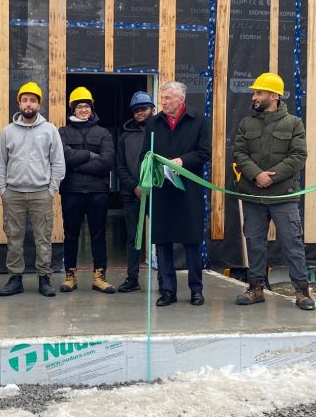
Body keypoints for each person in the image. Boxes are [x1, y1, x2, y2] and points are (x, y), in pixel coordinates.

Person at [232, 72, 315, 310]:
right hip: (253, 195)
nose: (254, 97)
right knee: (255, 243)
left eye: (258, 92)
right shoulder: (247, 123)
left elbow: (298, 156)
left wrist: (272, 177)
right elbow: (239, 153)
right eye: (254, 92)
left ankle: (301, 292)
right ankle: (255, 288)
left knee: (292, 244)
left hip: (283, 196)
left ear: (274, 95)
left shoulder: (294, 123)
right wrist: (256, 174)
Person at [140, 80, 211, 307]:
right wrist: (151, 164)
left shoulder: (198, 120)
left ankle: (196, 290)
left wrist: (181, 162)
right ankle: (167, 290)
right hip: (162, 190)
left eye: (168, 98)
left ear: (181, 98)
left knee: (192, 240)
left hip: (188, 188)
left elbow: (204, 153)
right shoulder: (154, 122)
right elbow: (145, 153)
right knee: (162, 240)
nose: (163, 102)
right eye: (162, 98)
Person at [0, 81, 65, 298]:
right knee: (14, 236)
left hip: (41, 193)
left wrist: (51, 189)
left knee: (42, 237)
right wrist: (3, 190)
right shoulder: (7, 132)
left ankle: (44, 278)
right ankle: (15, 278)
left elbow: (58, 162)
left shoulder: (50, 130)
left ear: (39, 104)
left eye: (33, 101)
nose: (28, 104)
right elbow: (0, 163)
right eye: (25, 100)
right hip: (13, 193)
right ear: (19, 103)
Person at [58, 87, 115, 294]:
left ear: (92, 109)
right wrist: (91, 156)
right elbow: (63, 158)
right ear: (73, 108)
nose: (84, 109)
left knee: (98, 235)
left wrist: (77, 164)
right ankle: (70, 276)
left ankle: (100, 276)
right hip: (71, 192)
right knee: (70, 234)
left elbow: (107, 162)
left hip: (97, 193)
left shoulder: (103, 133)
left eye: (87, 106)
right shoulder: (62, 132)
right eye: (79, 106)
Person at [116, 90, 155, 293]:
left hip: (157, 194)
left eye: (144, 109)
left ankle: (166, 280)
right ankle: (132, 278)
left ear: (152, 109)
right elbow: (120, 166)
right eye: (137, 110)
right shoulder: (125, 137)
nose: (141, 113)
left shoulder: (161, 132)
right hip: (132, 194)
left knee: (161, 236)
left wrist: (153, 186)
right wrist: (134, 186)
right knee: (133, 237)